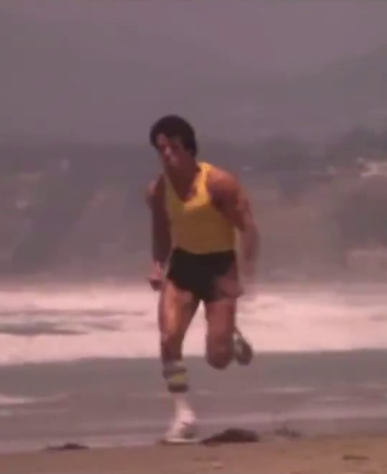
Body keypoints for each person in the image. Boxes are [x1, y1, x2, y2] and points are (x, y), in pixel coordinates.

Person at [144, 115, 259, 444]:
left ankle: (231, 338)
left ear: (189, 148)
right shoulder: (158, 191)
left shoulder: (219, 184)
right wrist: (156, 264)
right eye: (161, 149)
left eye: (173, 147)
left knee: (218, 359)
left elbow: (248, 228)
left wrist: (247, 273)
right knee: (168, 337)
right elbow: (161, 233)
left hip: (220, 268)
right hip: (183, 267)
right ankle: (183, 416)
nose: (167, 155)